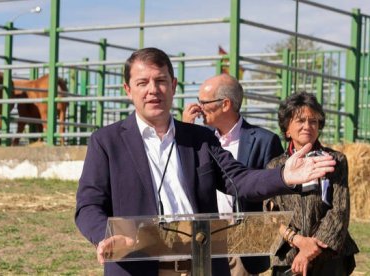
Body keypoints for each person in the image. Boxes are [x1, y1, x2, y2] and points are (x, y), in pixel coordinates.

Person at [75, 47, 336, 276]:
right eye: (143, 82)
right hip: (137, 266)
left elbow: (241, 180)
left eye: (161, 80)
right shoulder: (106, 142)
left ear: (174, 85)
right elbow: (88, 205)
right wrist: (105, 236)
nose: (153, 90)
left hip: (202, 266)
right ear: (128, 90)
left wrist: (283, 176)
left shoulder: (201, 138)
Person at [183, 74, 284, 276]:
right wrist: (187, 131)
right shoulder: (198, 140)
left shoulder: (265, 141)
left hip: (242, 246)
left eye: (203, 102)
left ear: (225, 104)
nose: (198, 107)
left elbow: (273, 196)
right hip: (204, 238)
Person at [264, 91, 359, 276]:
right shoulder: (275, 166)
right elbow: (270, 216)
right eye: (300, 120)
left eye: (313, 121)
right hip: (288, 257)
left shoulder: (335, 160)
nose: (307, 126)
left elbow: (339, 211)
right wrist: (299, 241)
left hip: (329, 257)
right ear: (287, 129)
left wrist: (310, 251)